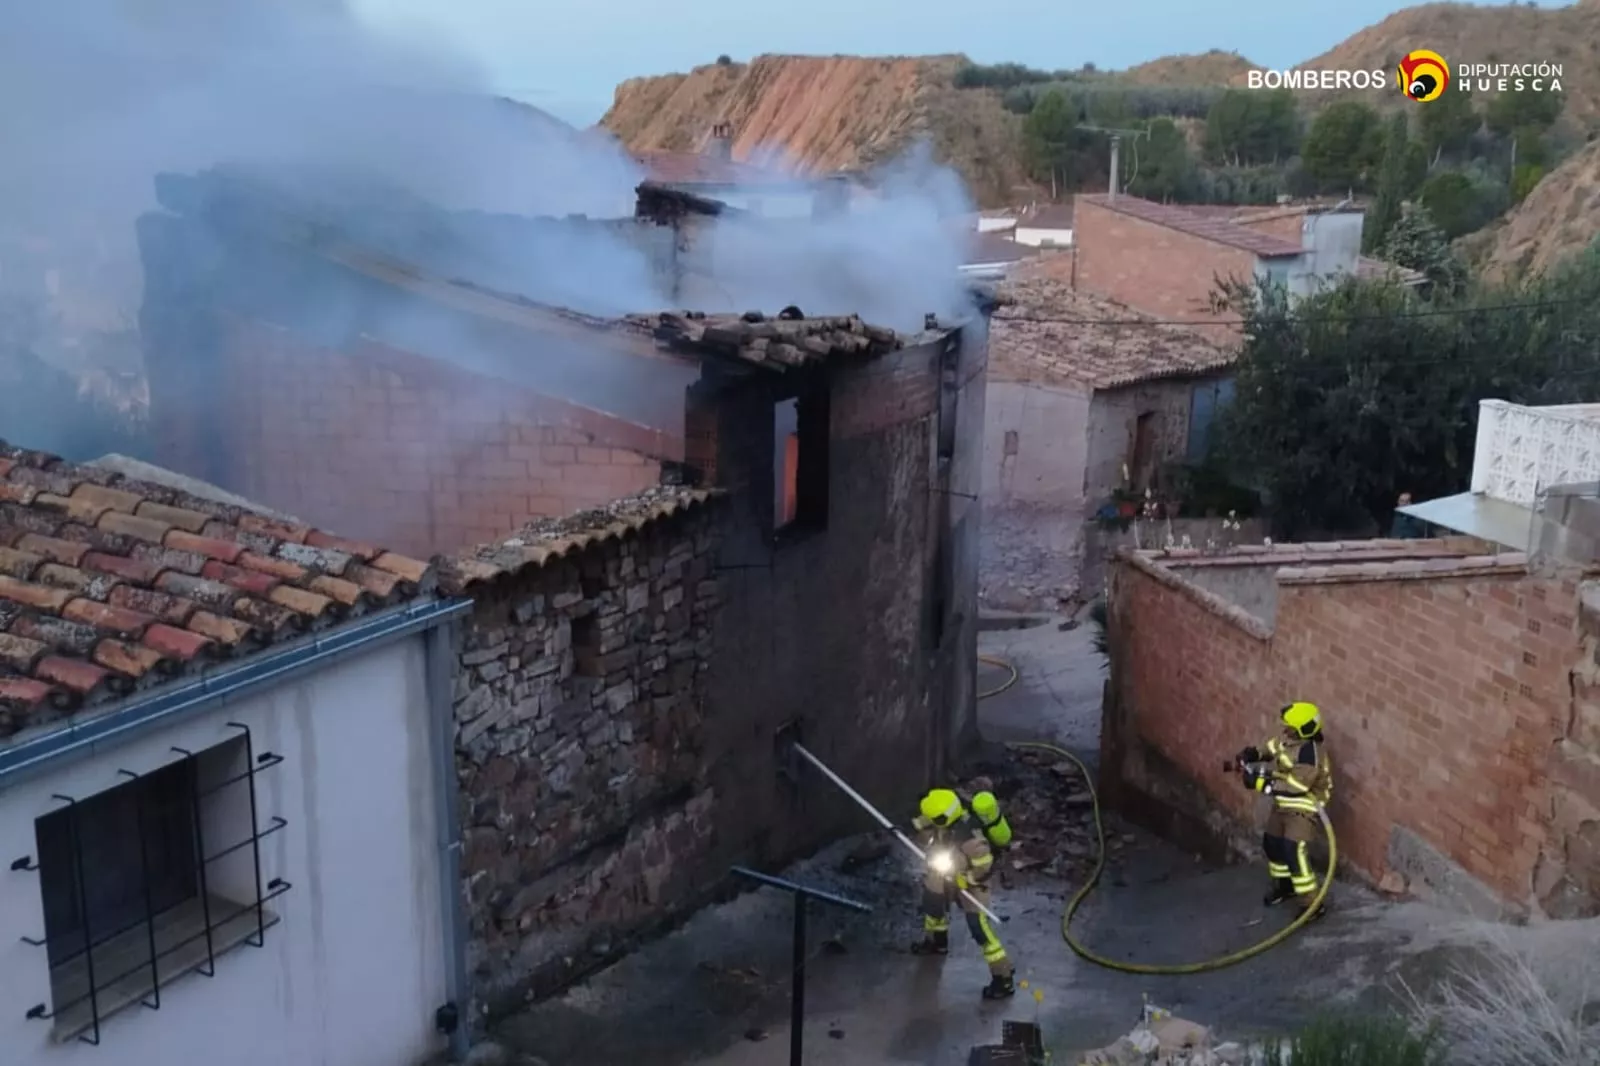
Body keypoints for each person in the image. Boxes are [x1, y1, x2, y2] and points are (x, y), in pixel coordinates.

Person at [908, 788, 1016, 999]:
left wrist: (967, 880)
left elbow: (985, 866)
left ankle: (1003, 977)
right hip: (947, 871)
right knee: (933, 902)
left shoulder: (972, 840)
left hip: (973, 884)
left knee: (979, 928)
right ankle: (936, 942)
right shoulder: (946, 820)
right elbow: (926, 830)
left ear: (942, 817)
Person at [1234, 701, 1334, 919]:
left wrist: (1260, 784)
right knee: (1272, 843)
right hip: (1283, 803)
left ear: (1303, 729)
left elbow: (1296, 788)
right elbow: (1270, 749)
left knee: (1293, 850)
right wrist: (1251, 754)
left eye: (1289, 726)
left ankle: (1312, 904)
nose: (1285, 729)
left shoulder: (1310, 755)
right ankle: (1286, 886)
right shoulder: (1289, 739)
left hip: (1303, 807)